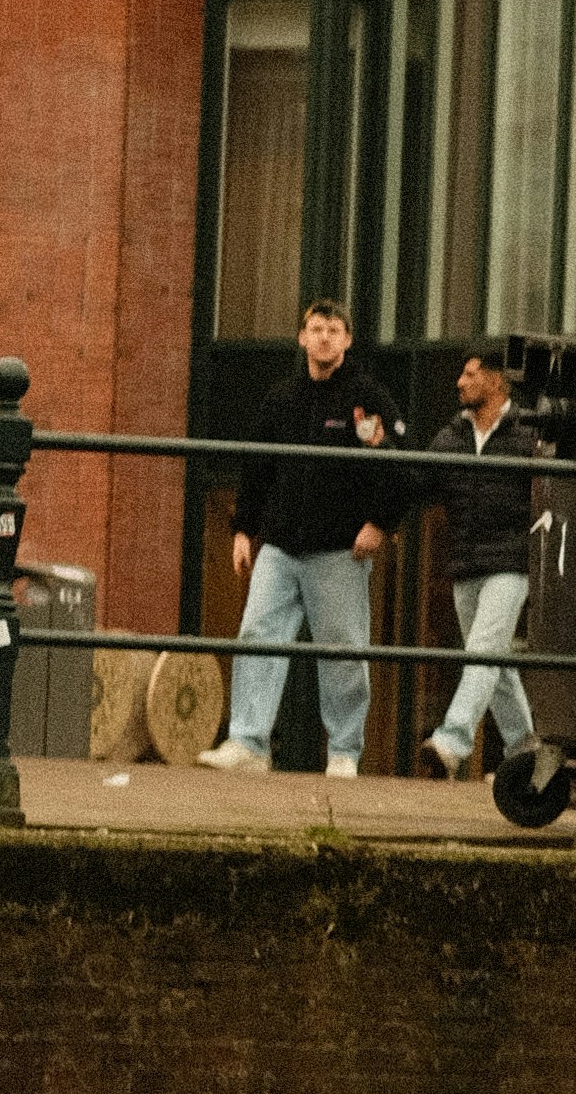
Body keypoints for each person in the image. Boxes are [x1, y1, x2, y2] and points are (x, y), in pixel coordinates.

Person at [208, 297, 398, 772]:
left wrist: (380, 522)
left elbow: (400, 467)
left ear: (348, 340)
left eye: (334, 330)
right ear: (302, 337)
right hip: (279, 544)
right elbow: (257, 469)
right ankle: (249, 742)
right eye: (316, 329)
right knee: (256, 634)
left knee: (342, 652)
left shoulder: (367, 398)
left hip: (338, 549)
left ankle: (343, 752)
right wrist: (243, 531)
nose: (325, 338)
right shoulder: (282, 399)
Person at [425, 342, 543, 778]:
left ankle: (452, 741)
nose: (460, 382)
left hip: (511, 562)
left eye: (470, 374)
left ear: (495, 381)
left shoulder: (528, 434)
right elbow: (421, 481)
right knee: (495, 661)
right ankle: (526, 753)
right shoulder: (452, 435)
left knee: (482, 652)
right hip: (465, 563)